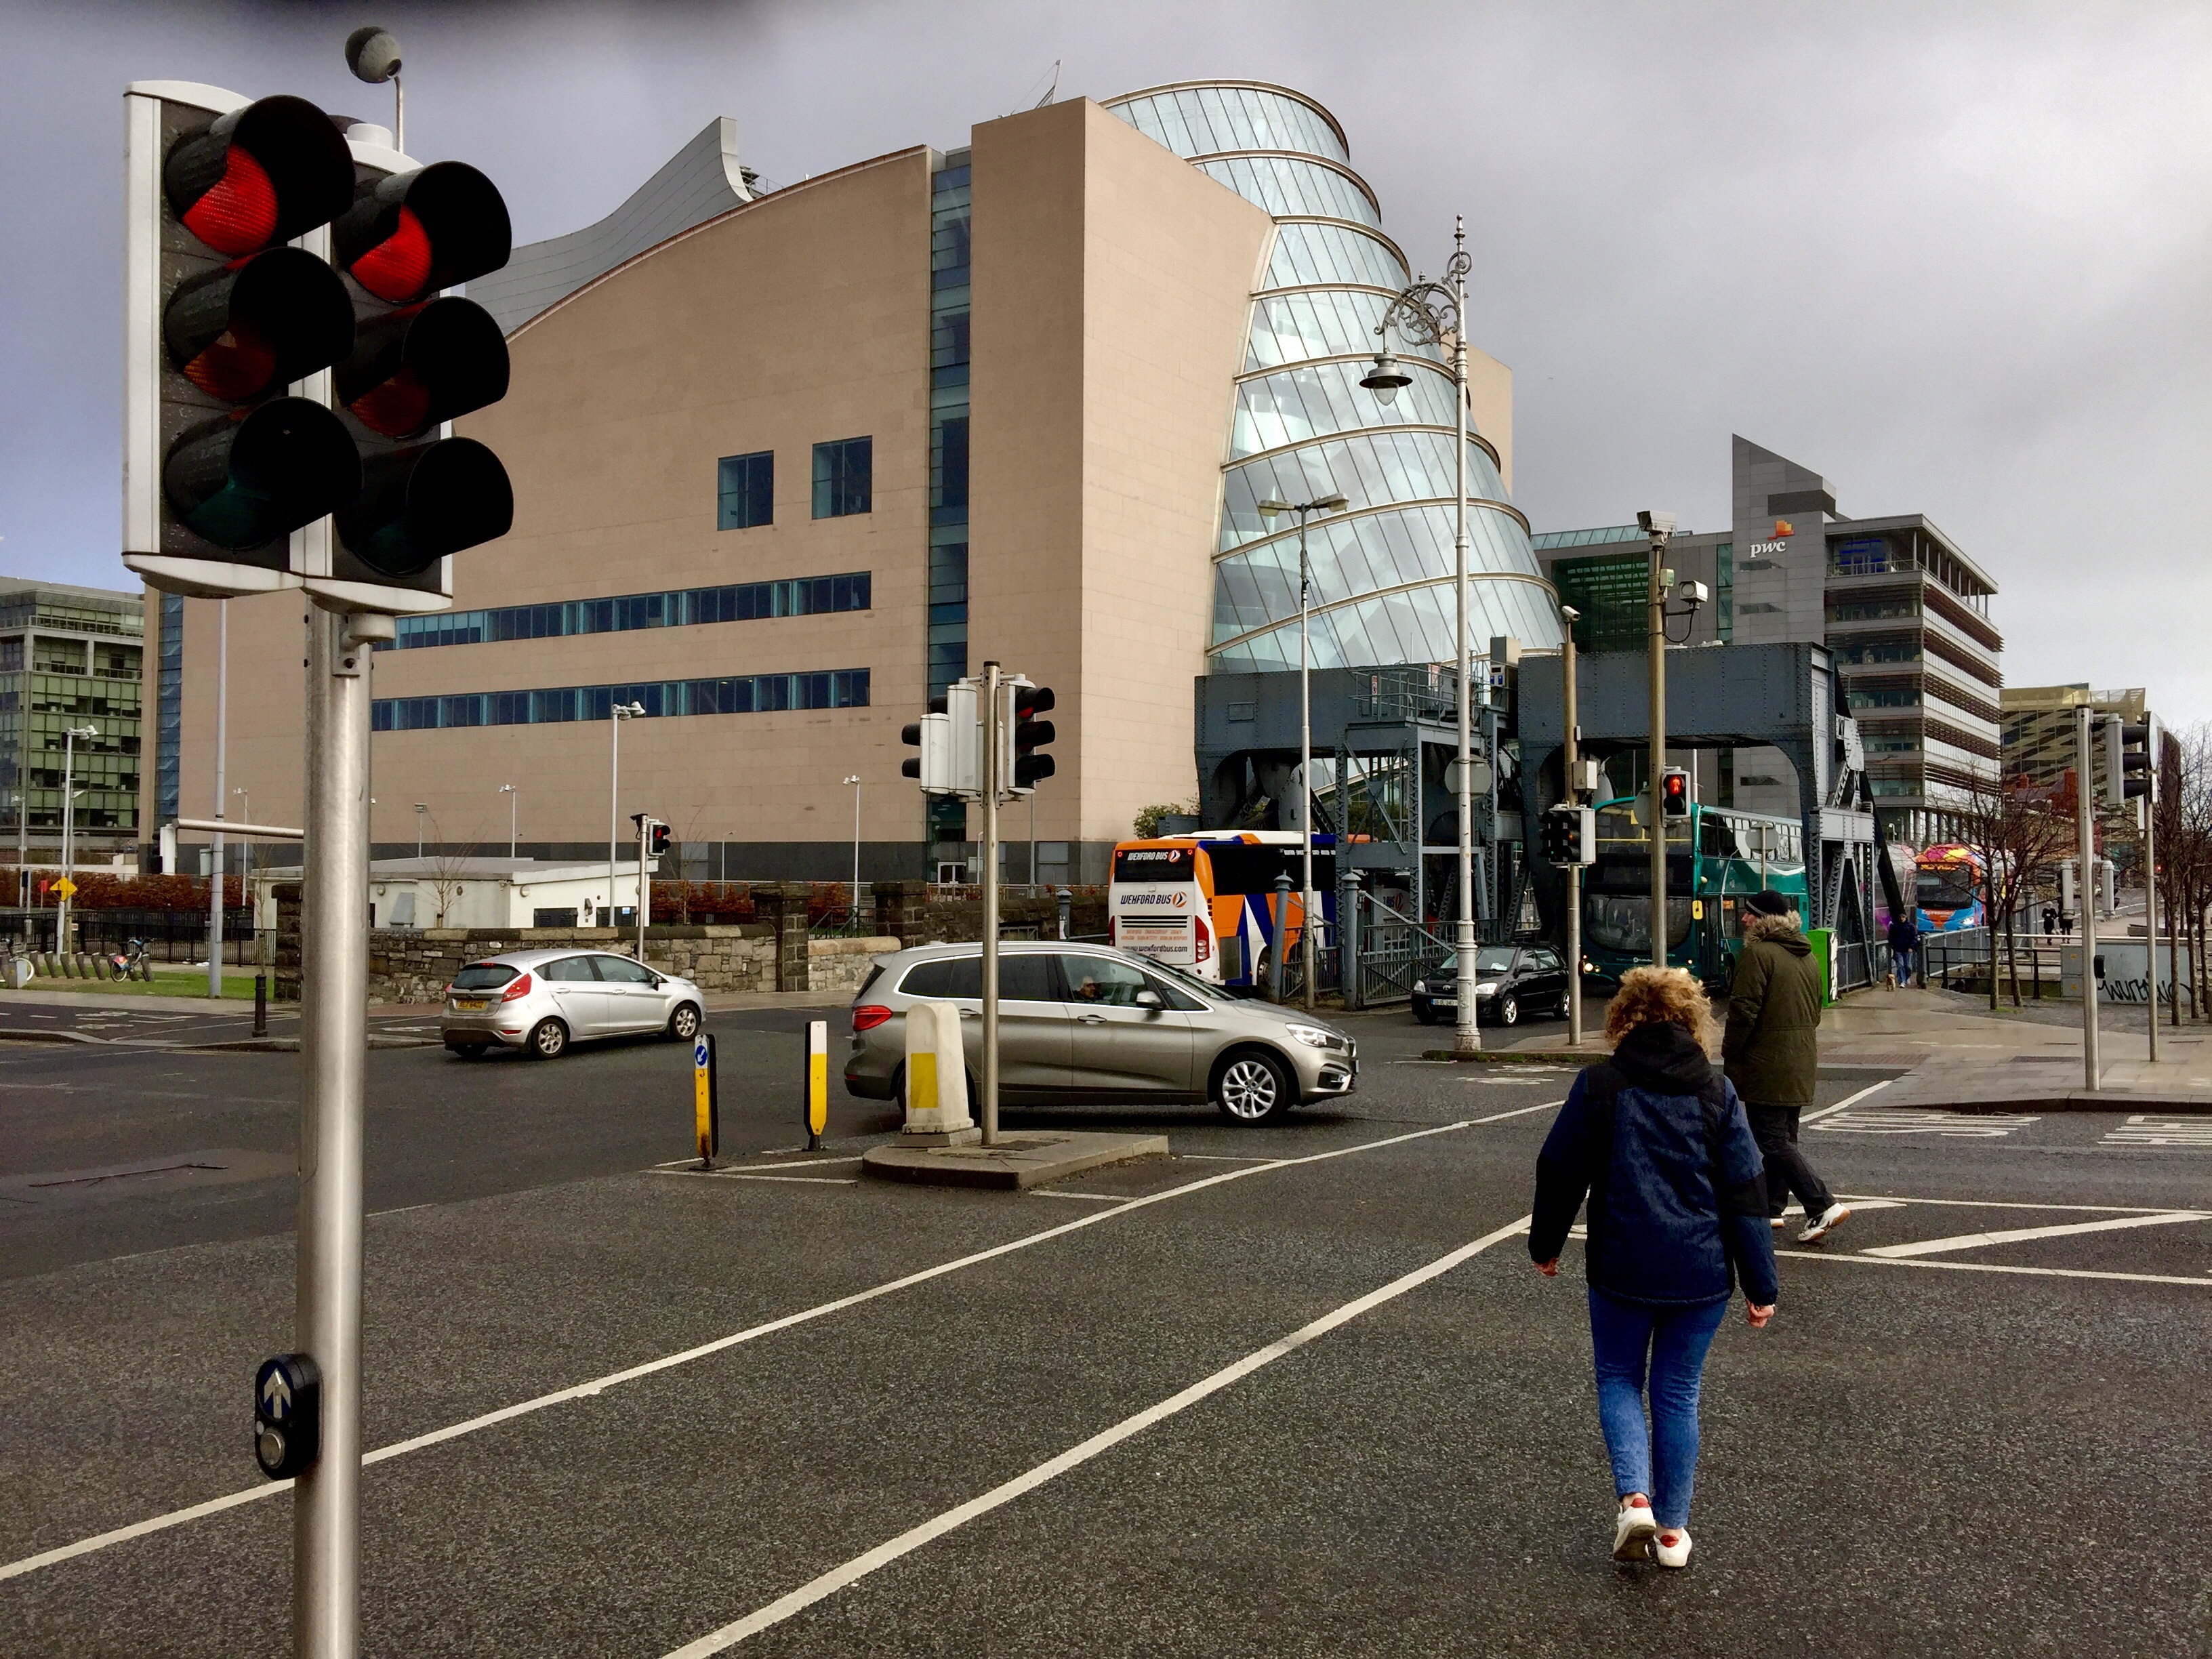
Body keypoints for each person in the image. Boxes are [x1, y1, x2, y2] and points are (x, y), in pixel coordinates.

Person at [1531, 966, 1778, 1571]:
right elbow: (1747, 1192)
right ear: (1692, 1020)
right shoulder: (1718, 1093)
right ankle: (1671, 1534)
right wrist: (1761, 1285)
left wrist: (1546, 1244)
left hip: (1622, 1264)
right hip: (1701, 1272)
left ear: (1624, 1017)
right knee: (1678, 1393)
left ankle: (1634, 1499)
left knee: (1619, 1378)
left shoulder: (1600, 1086)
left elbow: (1560, 1168)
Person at [1727, 890, 1849, 1243]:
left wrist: (1731, 1053)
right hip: (1800, 1058)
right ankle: (1771, 1208)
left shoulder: (1757, 955)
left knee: (1770, 1139)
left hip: (1767, 1061)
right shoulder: (1807, 956)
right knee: (1784, 1139)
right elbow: (1816, 1012)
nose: (1745, 919)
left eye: (1750, 914)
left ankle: (1821, 1204)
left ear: (1765, 919)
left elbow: (1743, 1012)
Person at [1885, 913, 1919, 989]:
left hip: (1908, 949)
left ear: (1905, 918)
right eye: (1900, 917)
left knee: (1908, 966)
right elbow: (1891, 937)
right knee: (1900, 965)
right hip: (1898, 949)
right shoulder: (1895, 927)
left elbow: (1914, 938)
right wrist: (1894, 945)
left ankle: (1906, 977)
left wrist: (1911, 947)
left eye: (1903, 917)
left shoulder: (1911, 927)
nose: (1901, 919)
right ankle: (1902, 981)